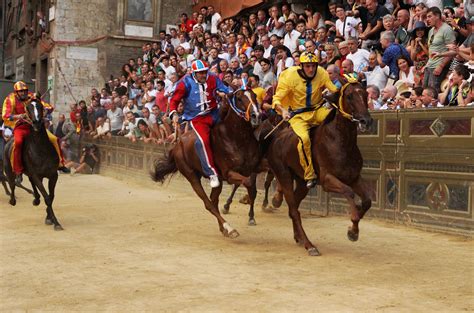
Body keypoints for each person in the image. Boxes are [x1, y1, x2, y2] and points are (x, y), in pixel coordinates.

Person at [271, 52, 338, 189]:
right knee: (304, 139)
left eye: (313, 66)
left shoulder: (322, 72)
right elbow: (277, 99)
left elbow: (334, 89)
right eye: (307, 66)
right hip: (298, 116)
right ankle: (309, 175)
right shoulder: (289, 76)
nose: (311, 69)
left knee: (336, 119)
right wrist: (283, 110)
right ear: (301, 66)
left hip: (318, 110)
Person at [169, 60, 230, 188]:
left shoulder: (213, 78)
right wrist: (174, 113)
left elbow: (225, 88)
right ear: (194, 73)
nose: (203, 75)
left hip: (214, 113)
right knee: (203, 141)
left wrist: (225, 92)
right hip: (197, 118)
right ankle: (211, 173)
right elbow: (174, 100)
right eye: (200, 73)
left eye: (204, 72)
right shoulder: (184, 83)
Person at [2, 81, 68, 182]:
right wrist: (18, 116)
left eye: (24, 91)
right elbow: (5, 115)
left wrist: (46, 110)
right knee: (18, 143)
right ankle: (18, 170)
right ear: (16, 92)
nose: (23, 93)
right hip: (21, 126)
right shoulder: (10, 99)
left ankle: (60, 163)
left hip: (35, 126)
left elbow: (48, 106)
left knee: (54, 139)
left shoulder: (32, 96)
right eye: (21, 91)